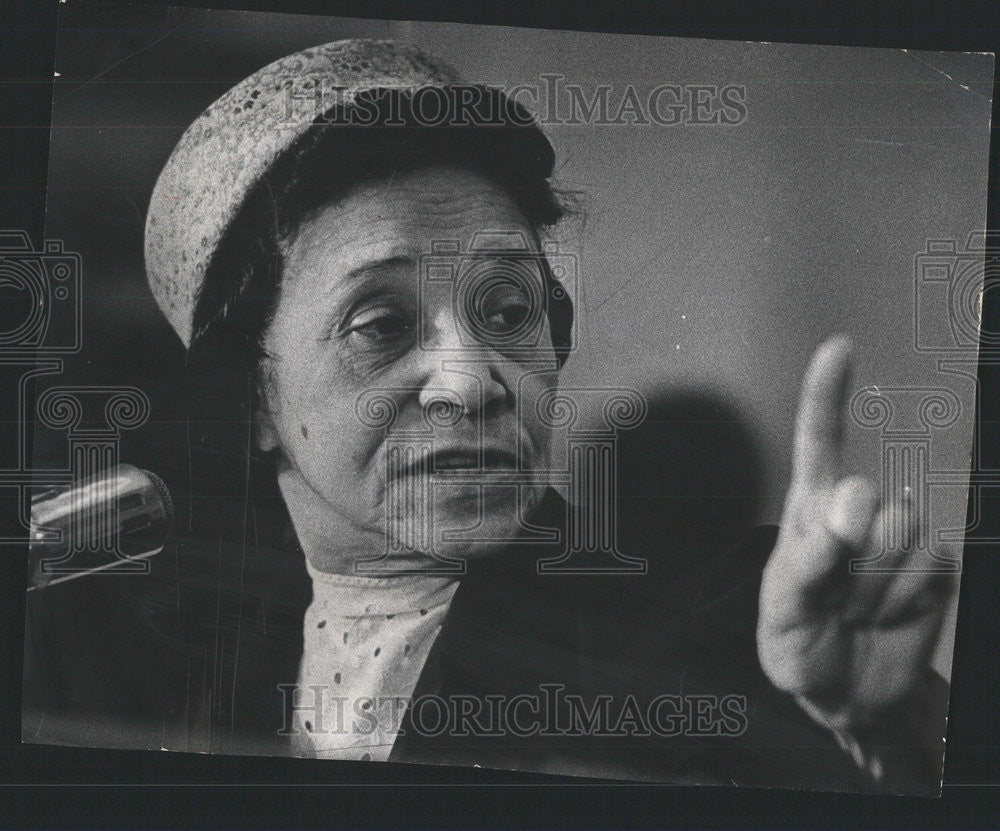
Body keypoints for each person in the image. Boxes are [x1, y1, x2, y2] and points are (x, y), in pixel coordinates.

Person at [22, 39, 953, 793]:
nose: (471, 381)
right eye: (380, 325)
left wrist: (880, 733)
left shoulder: (717, 617)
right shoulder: (132, 656)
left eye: (508, 312)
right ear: (253, 398)